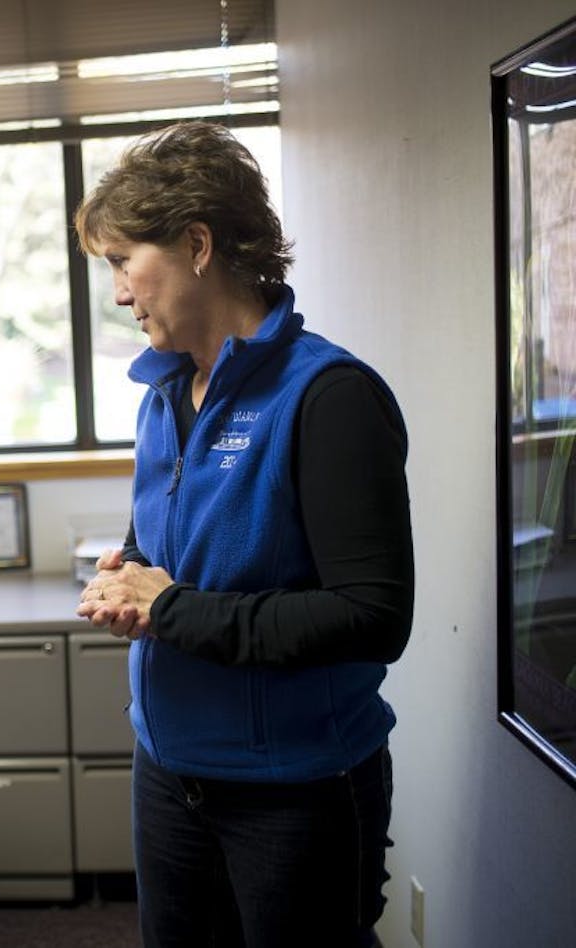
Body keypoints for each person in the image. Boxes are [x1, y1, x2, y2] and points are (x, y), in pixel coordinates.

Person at [72, 122, 414, 948]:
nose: (119, 292)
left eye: (125, 261)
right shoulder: (160, 396)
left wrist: (174, 608)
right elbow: (160, 552)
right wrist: (132, 579)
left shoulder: (329, 397)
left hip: (294, 792)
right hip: (169, 772)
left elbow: (373, 617)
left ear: (196, 244)